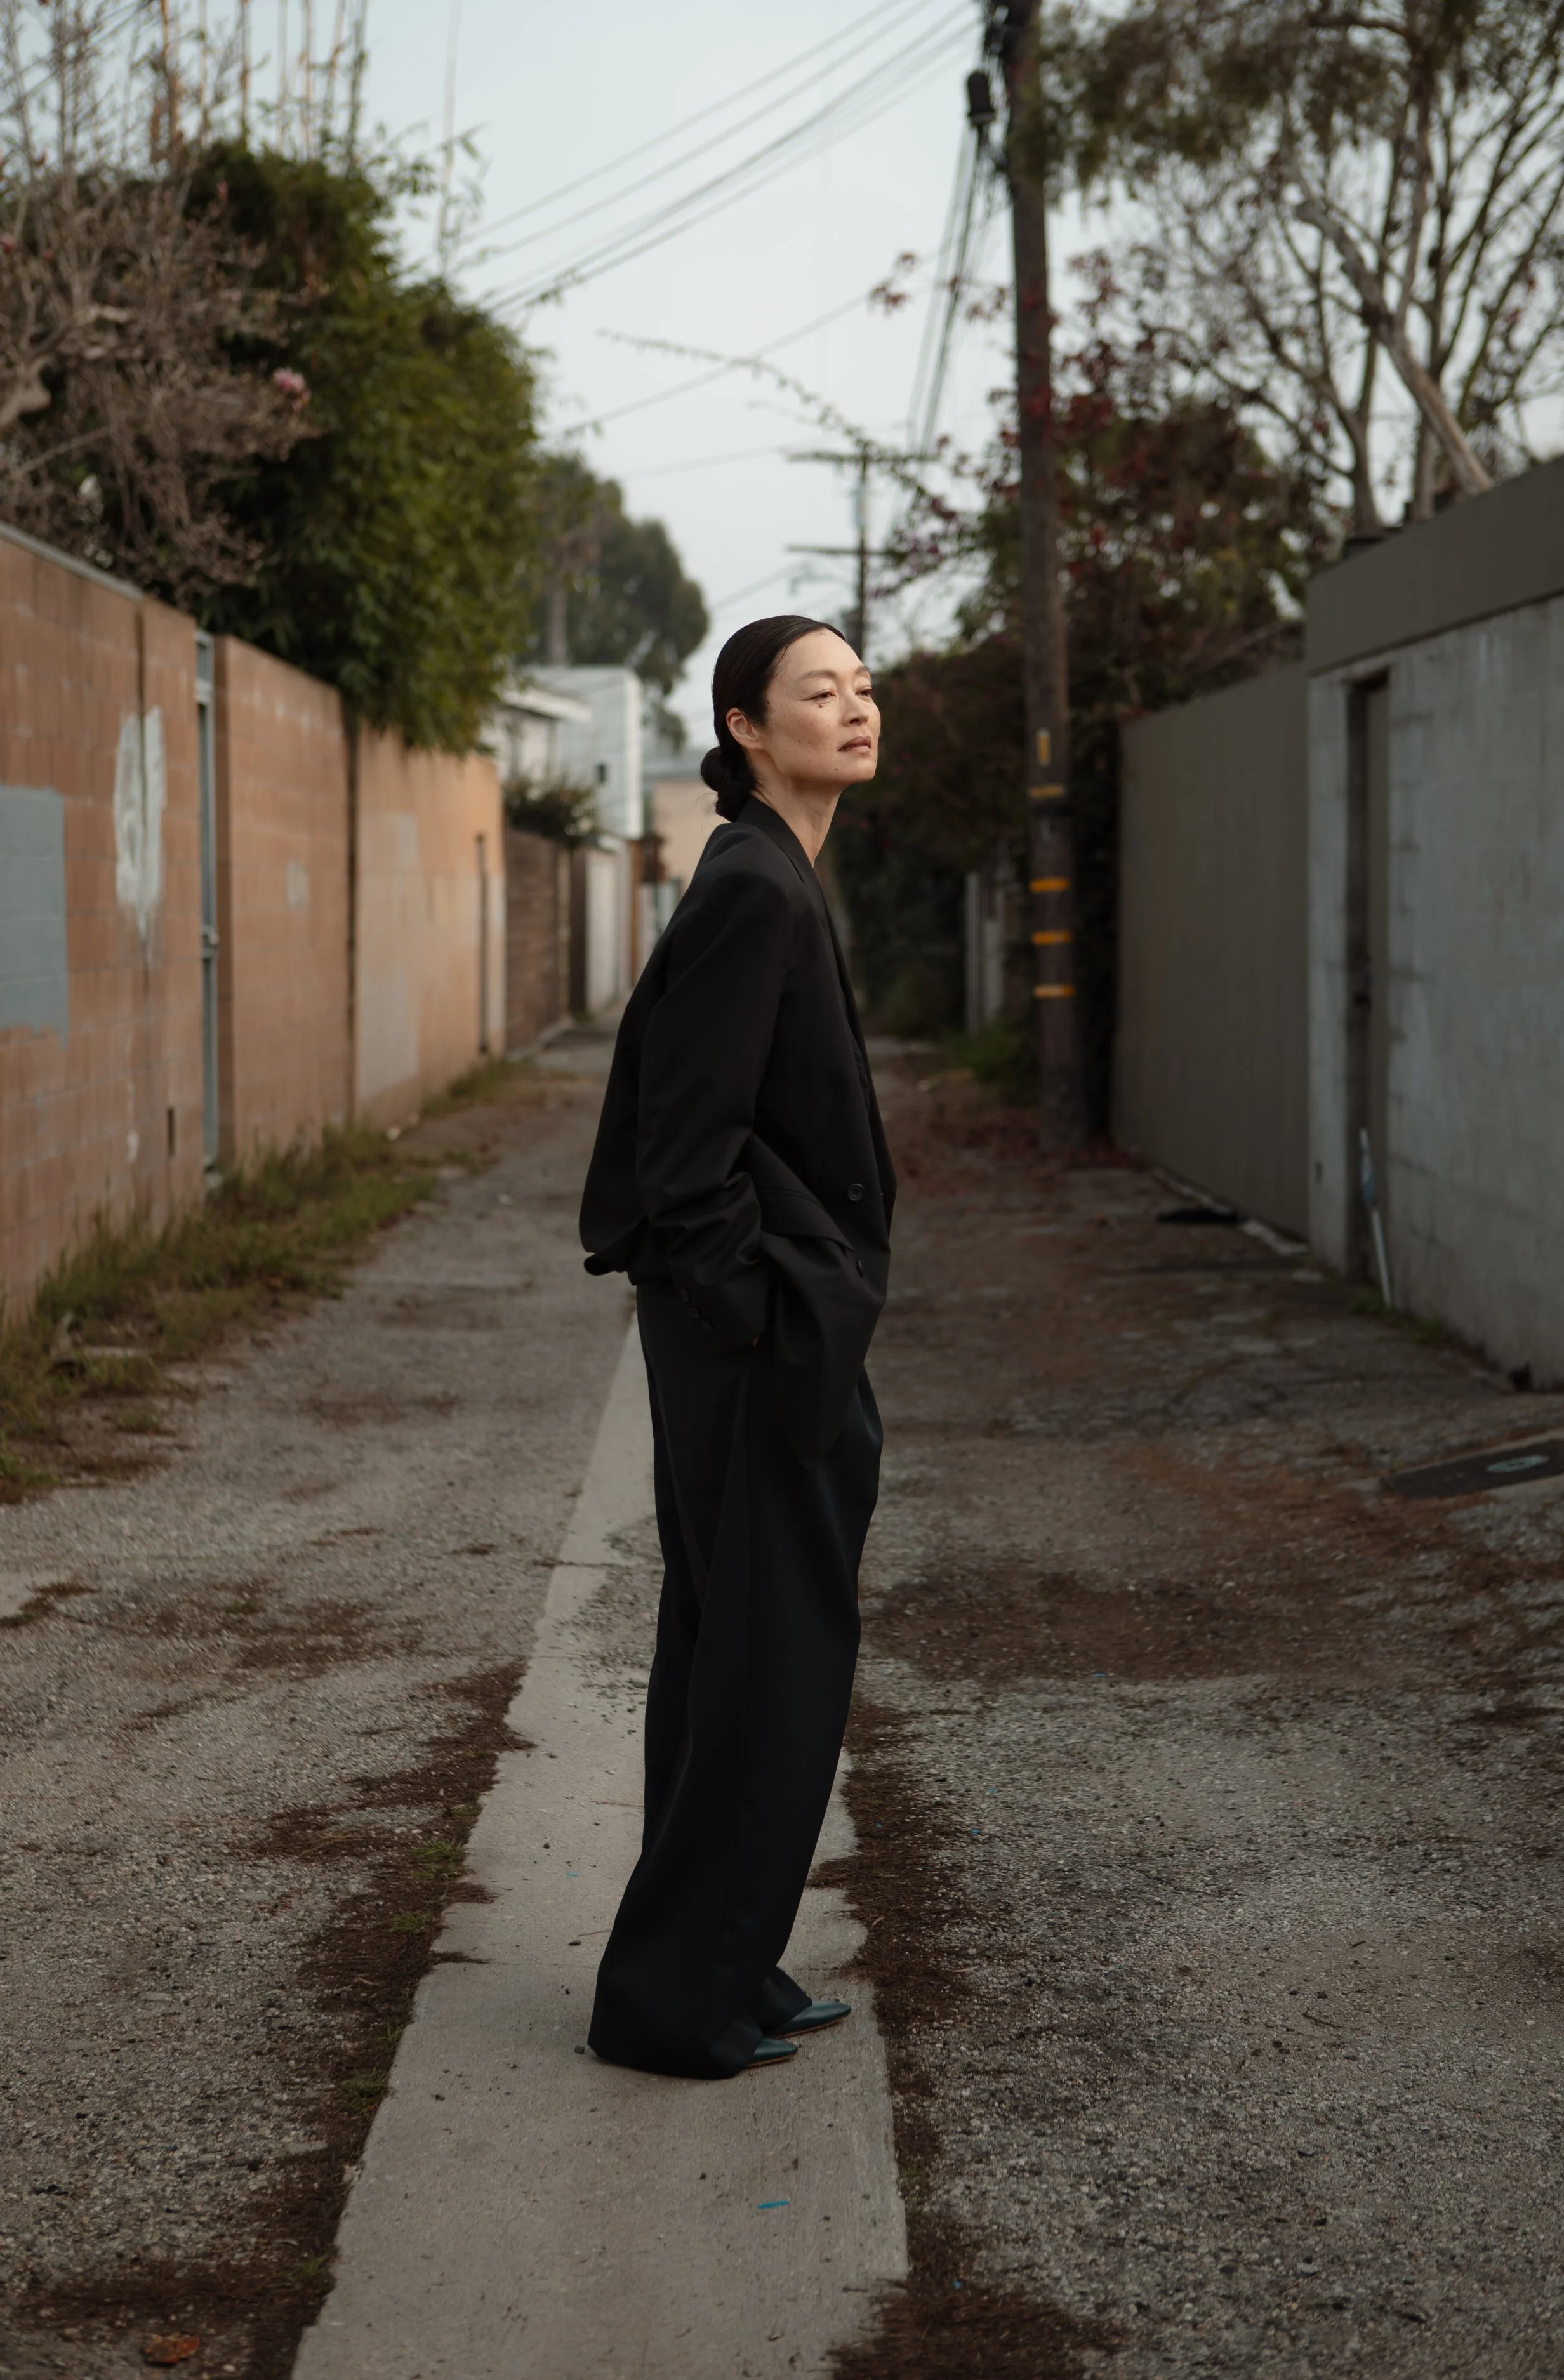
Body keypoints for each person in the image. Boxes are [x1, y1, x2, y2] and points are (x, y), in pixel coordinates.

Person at [578, 614, 894, 2079]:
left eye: (862, 685)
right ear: (746, 729)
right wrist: (754, 1317)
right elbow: (677, 1144)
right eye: (817, 692)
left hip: (761, 1320)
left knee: (729, 1655)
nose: (855, 706)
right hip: (753, 1330)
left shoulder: (771, 874)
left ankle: (718, 1961)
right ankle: (669, 1999)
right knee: (769, 1661)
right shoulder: (755, 889)